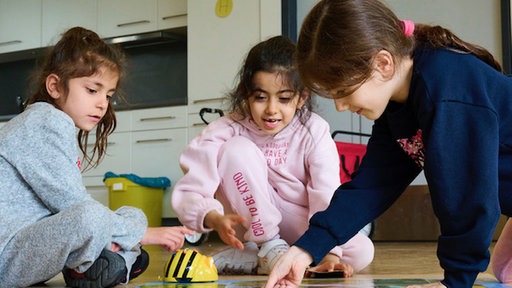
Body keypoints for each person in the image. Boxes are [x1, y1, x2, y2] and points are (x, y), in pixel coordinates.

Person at [264, 0, 512, 288]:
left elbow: (467, 198)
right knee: (506, 271)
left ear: (383, 63)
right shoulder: (397, 105)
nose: (341, 106)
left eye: (344, 92)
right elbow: (371, 185)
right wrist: (305, 249)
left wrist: (454, 283)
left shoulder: (447, 90)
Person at [0, 27, 194, 288]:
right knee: (91, 216)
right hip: (7, 258)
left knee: (132, 213)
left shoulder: (56, 123)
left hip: (30, 250)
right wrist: (143, 234)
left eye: (108, 95)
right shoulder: (41, 123)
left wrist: (127, 229)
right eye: (93, 90)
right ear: (55, 86)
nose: (103, 103)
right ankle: (110, 259)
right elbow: (72, 204)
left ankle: (98, 262)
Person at [171, 35, 374, 276]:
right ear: (246, 94)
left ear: (302, 97)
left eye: (284, 98)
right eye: (260, 97)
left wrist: (327, 252)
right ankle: (268, 248)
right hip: (251, 224)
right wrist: (212, 217)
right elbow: (193, 187)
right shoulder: (226, 129)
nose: (271, 109)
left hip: (301, 224)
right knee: (236, 148)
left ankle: (259, 258)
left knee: (362, 252)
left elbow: (325, 192)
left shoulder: (314, 130)